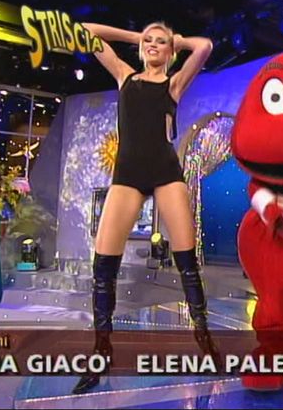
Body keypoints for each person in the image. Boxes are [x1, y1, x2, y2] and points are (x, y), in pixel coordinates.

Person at [73, 21, 215, 394]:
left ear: (170, 51)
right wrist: (136, 37)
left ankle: (205, 341)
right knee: (103, 267)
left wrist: (176, 40)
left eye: (160, 42)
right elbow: (84, 31)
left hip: (166, 172)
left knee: (187, 263)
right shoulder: (125, 76)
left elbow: (204, 46)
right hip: (128, 175)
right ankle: (101, 352)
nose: (153, 45)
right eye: (148, 41)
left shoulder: (174, 84)